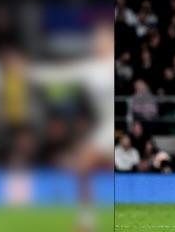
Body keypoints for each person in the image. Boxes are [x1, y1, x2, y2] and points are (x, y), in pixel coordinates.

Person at [27, 21, 115, 232]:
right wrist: (29, 72)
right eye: (97, 40)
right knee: (83, 167)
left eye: (103, 39)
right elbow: (61, 75)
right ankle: (87, 222)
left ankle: (89, 221)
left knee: (86, 166)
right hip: (105, 128)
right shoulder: (91, 69)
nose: (98, 44)